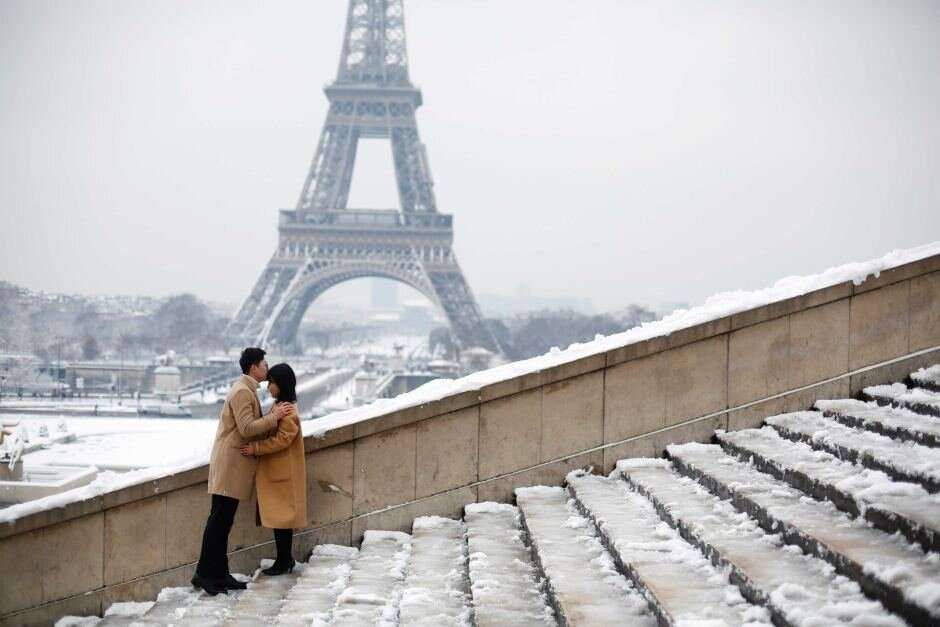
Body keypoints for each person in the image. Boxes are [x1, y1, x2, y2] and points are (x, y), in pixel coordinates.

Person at [192, 347, 291, 596]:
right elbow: (246, 428)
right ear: (253, 368)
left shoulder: (246, 390)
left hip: (234, 464)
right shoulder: (242, 392)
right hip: (230, 464)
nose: (267, 368)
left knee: (223, 521)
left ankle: (218, 574)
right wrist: (276, 415)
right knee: (218, 521)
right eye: (264, 364)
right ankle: (204, 574)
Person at [239, 363, 307, 575]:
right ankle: (284, 559)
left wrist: (256, 448)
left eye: (272, 383)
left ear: (282, 384)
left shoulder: (288, 411)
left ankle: (285, 560)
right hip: (279, 473)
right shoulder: (283, 406)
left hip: (282, 474)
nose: (269, 387)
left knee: (282, 520)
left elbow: (281, 440)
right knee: (280, 520)